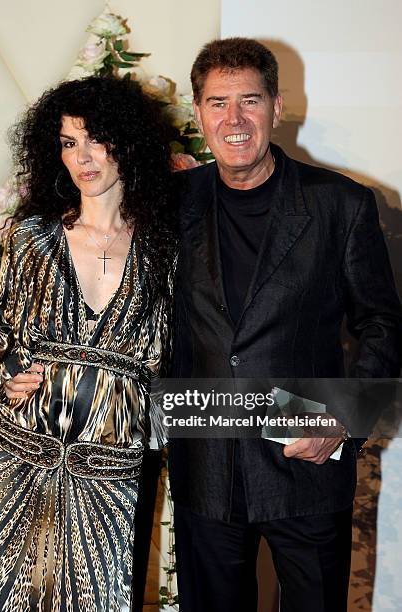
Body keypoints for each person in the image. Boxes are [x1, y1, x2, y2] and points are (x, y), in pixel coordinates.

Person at [168, 38, 402, 612]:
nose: (235, 119)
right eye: (217, 103)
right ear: (197, 113)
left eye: (250, 100)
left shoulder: (340, 204)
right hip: (205, 465)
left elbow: (383, 323)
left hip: (306, 460)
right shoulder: (173, 202)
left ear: (276, 105)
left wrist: (343, 420)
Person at [0, 76, 177, 611]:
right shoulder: (32, 236)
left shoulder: (165, 247)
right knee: (5, 599)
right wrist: (9, 370)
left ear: (126, 143)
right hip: (22, 450)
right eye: (67, 142)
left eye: (95, 139)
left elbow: (177, 349)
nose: (82, 158)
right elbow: (4, 329)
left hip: (112, 464)